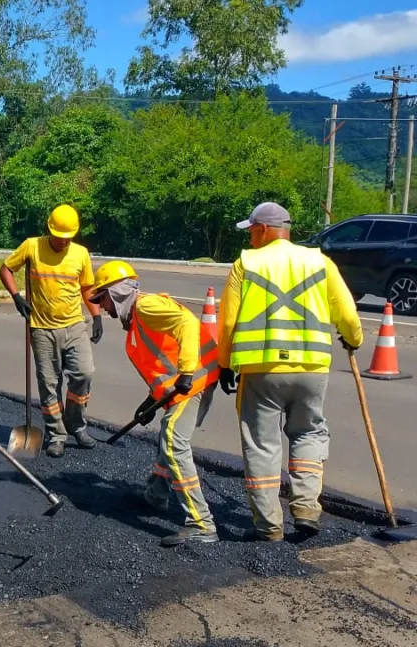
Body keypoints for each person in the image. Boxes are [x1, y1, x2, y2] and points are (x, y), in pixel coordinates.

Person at [218, 202, 363, 541]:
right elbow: (348, 314)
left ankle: (268, 525)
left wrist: (225, 363)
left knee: (262, 443)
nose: (250, 238)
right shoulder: (319, 261)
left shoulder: (246, 263)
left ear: (264, 230)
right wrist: (353, 339)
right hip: (312, 369)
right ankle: (306, 509)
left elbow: (228, 322)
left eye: (252, 231)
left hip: (262, 370)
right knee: (308, 433)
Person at [90, 260, 221, 546]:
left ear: (117, 293)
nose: (104, 309)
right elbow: (163, 360)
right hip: (190, 380)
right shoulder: (139, 318)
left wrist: (187, 371)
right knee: (167, 434)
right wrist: (150, 400)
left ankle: (201, 523)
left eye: (103, 300)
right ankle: (157, 494)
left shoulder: (147, 307)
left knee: (173, 439)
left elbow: (187, 324)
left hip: (194, 380)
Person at [0, 204, 103, 457]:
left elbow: (87, 287)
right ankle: (57, 434)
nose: (64, 241)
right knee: (49, 383)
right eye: (60, 236)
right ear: (50, 230)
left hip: (75, 325)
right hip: (42, 328)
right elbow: (6, 269)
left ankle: (76, 425)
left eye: (69, 237)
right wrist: (16, 296)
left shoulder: (80, 254)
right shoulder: (31, 246)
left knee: (84, 373)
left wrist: (97, 316)